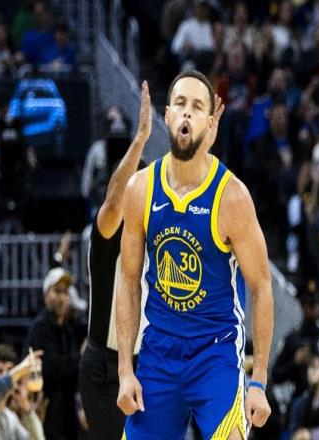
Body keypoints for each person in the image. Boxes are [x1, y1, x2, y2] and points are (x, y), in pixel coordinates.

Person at [116, 70, 274, 439]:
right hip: (159, 350)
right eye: (180, 103)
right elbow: (128, 279)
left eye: (198, 106)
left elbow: (262, 286)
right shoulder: (140, 189)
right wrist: (125, 370)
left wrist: (259, 381)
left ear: (210, 124)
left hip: (215, 350)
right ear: (167, 114)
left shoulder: (232, 197)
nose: (187, 112)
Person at [78, 81, 151, 440]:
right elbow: (112, 201)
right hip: (103, 369)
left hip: (148, 364)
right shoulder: (108, 236)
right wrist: (140, 140)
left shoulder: (161, 241)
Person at [25, 268, 84, 439]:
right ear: (45, 296)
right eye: (57, 291)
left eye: (65, 292)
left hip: (68, 412)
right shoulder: (39, 328)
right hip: (46, 411)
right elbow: (51, 367)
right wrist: (79, 360)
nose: (62, 297)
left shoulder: (68, 329)